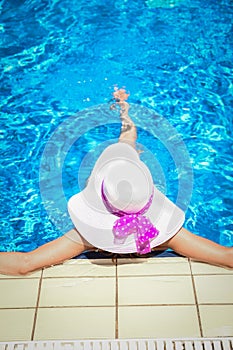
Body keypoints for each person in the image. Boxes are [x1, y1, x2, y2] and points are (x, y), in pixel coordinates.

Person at [0, 88, 232, 276]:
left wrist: (122, 110)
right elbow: (226, 257)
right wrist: (125, 110)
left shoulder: (83, 238)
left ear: (94, 187)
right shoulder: (169, 234)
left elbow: (25, 264)